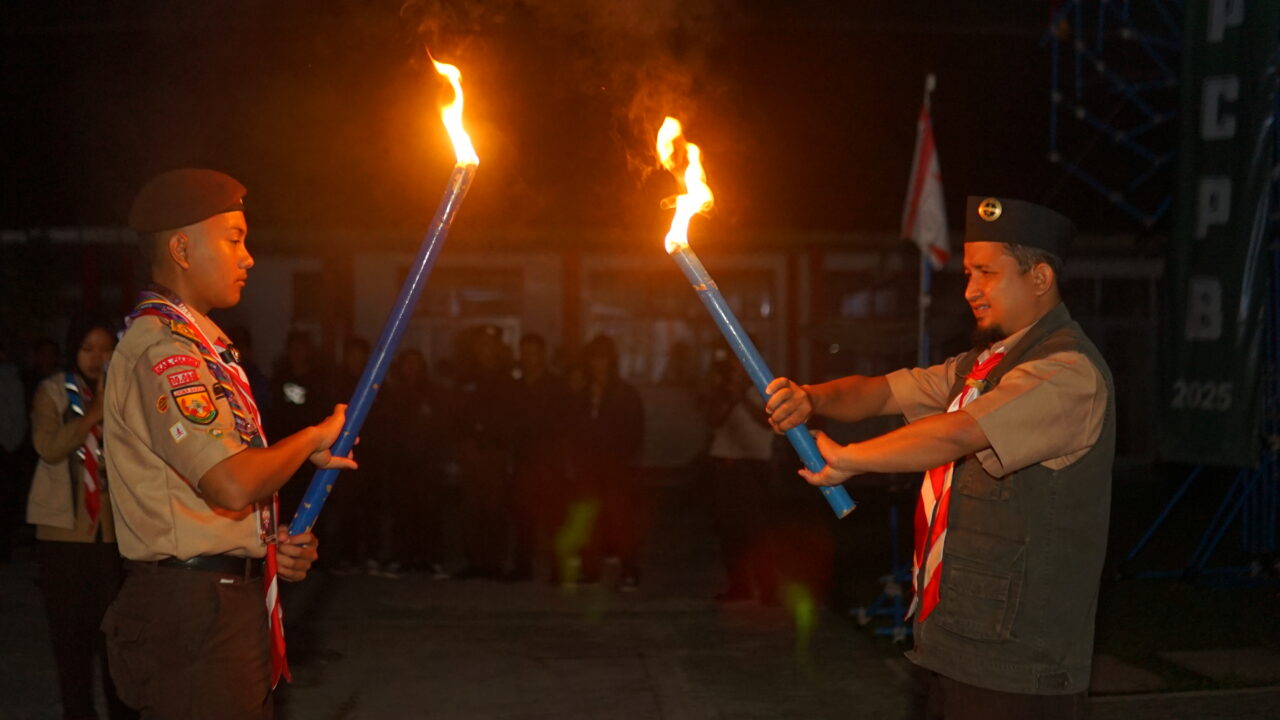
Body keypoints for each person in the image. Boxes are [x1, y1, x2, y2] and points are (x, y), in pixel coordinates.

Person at [767, 196, 1113, 719]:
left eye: (987, 273)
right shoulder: (980, 366)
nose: (970, 289)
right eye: (968, 272)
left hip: (1019, 667)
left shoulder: (1067, 373)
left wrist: (850, 460)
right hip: (954, 645)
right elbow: (880, 391)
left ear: (1040, 278)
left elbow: (958, 434)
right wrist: (811, 397)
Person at [101, 168, 356, 719]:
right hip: (192, 615)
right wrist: (313, 436)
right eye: (234, 239)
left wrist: (266, 541)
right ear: (182, 249)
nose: (249, 258)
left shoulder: (205, 347)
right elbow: (230, 481)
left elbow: (210, 495)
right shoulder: (165, 351)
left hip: (220, 604)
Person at [26, 316, 136, 720]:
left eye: (105, 348)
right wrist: (92, 414)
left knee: (117, 645)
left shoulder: (124, 392)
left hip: (113, 539)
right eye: (87, 348)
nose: (97, 357)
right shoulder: (52, 392)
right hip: (63, 539)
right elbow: (47, 447)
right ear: (73, 350)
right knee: (71, 649)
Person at [570, 334, 645, 589]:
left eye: (602, 358)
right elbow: (573, 428)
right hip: (588, 465)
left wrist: (623, 460)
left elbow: (635, 431)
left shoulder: (623, 393)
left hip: (614, 466)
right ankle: (591, 569)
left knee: (619, 519)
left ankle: (629, 570)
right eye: (594, 359)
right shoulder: (583, 393)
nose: (597, 364)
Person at [703, 355, 778, 605]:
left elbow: (767, 423)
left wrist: (742, 397)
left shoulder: (764, 388)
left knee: (757, 530)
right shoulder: (722, 392)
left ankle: (768, 589)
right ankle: (740, 586)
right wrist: (726, 396)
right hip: (725, 464)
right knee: (729, 530)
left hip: (753, 464)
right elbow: (713, 419)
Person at [510, 333, 569, 582]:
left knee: (554, 517)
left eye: (534, 352)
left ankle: (558, 569)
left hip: (549, 462)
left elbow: (564, 423)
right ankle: (523, 567)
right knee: (524, 517)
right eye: (525, 352)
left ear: (542, 355)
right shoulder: (516, 387)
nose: (529, 357)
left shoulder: (556, 386)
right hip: (524, 461)